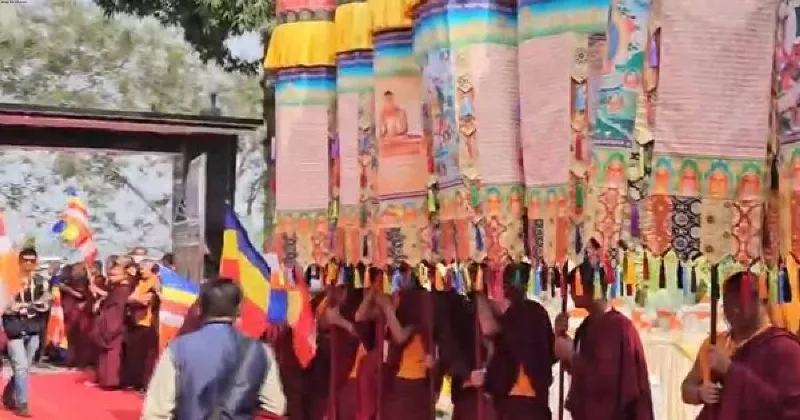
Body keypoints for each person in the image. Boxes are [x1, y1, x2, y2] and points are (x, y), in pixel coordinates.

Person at [142, 278, 286, 420]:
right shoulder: (261, 350)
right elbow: (274, 408)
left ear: (199, 308)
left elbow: (156, 412)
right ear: (239, 309)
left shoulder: (178, 348)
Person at [681, 271, 800, 419]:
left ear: (762, 302)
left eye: (741, 302)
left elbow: (787, 407)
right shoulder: (716, 343)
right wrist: (700, 393)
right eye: (728, 303)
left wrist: (730, 370)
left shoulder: (784, 348)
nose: (733, 310)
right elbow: (687, 387)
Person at [554, 252, 654, 420]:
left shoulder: (619, 327)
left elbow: (607, 380)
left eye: (573, 288)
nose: (570, 294)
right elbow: (580, 374)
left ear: (587, 288)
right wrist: (560, 337)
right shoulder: (585, 327)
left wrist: (572, 355)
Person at [474, 262, 554, 420]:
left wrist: (478, 294)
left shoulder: (523, 312)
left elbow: (489, 328)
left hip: (518, 398)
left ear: (506, 288)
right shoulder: (538, 312)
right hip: (535, 400)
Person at [2, 248, 52, 417]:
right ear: (19, 261)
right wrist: (13, 307)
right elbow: (3, 306)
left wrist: (37, 305)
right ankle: (22, 403)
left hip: (33, 327)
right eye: (26, 260)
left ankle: (8, 394)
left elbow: (46, 302)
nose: (29, 263)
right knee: (21, 367)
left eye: (32, 260)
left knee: (24, 367)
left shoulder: (41, 281)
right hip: (14, 327)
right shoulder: (7, 281)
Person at [122, 259, 160, 390]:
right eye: (141, 267)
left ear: (153, 269)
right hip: (135, 321)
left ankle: (144, 384)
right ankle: (134, 381)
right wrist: (135, 298)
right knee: (134, 354)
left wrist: (134, 298)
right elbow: (128, 298)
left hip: (148, 322)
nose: (141, 270)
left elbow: (146, 300)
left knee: (145, 356)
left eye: (145, 267)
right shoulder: (139, 282)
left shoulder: (156, 281)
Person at [93, 264, 132, 389]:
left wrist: (112, 326)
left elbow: (118, 308)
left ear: (124, 275)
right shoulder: (116, 288)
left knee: (113, 352)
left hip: (115, 323)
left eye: (114, 275)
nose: (111, 277)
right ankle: (104, 379)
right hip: (107, 320)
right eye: (110, 275)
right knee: (105, 352)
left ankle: (111, 381)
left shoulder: (124, 289)